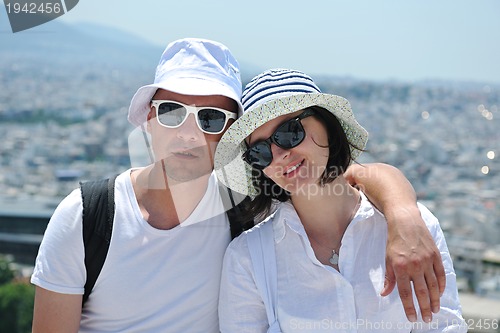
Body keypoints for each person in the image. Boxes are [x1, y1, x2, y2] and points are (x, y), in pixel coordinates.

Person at [31, 39, 444, 333]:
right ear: (149, 121)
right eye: (172, 111)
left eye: (210, 118)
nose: (189, 134)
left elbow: (337, 178)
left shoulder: (244, 207)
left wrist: (403, 211)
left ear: (229, 138)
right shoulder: (87, 216)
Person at [215, 68, 466, 332]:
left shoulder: (414, 228)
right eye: (260, 151)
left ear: (327, 125)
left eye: (289, 132)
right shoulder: (247, 258)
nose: (279, 155)